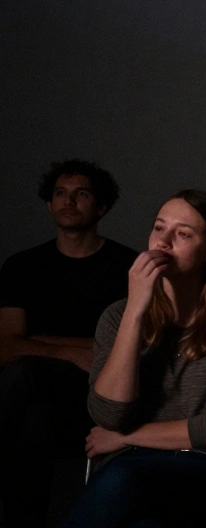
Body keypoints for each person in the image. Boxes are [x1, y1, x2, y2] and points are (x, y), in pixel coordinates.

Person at [61, 190, 206, 528]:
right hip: (133, 463)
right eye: (159, 228)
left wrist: (126, 437)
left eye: (183, 234)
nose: (163, 242)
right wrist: (135, 311)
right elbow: (109, 415)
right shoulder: (118, 316)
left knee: (125, 478)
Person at [0, 160, 136, 527]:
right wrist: (76, 352)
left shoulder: (128, 266)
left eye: (81, 194)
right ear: (49, 204)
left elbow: (130, 347)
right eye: (60, 193)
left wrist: (37, 340)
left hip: (99, 396)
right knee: (35, 420)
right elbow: (6, 347)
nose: (69, 201)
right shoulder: (21, 267)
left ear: (101, 206)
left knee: (26, 371)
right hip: (39, 402)